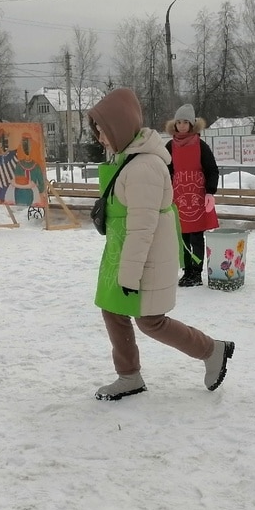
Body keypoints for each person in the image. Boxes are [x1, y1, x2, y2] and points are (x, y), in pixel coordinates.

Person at [86, 88, 234, 401]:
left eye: (103, 132)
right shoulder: (131, 160)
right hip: (127, 254)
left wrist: (129, 274)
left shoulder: (143, 168)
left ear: (118, 128)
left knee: (151, 321)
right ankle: (129, 376)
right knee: (113, 311)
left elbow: (142, 229)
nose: (100, 139)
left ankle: (212, 351)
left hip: (143, 258)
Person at [164, 104, 220, 287]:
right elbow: (164, 170)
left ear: (192, 124)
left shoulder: (201, 146)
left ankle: (196, 273)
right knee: (182, 236)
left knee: (196, 236)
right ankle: (186, 271)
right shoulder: (169, 146)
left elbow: (212, 169)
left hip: (197, 198)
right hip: (178, 197)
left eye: (185, 122)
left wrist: (210, 192)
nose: (181, 126)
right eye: (178, 122)